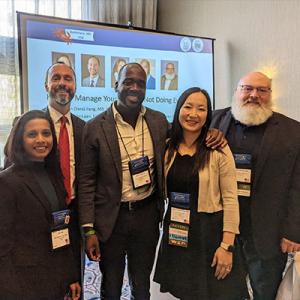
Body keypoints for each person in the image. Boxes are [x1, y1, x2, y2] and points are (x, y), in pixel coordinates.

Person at [78, 62, 169, 299]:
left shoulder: (158, 122)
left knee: (141, 285)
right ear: (115, 85)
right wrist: (88, 230)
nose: (135, 88)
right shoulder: (95, 127)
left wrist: (214, 132)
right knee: (112, 285)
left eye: (140, 83)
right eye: (128, 81)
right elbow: (86, 182)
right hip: (112, 219)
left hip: (147, 215)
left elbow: (189, 134)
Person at [210, 71, 300, 300]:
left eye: (262, 90)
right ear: (236, 91)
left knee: (265, 291)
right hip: (221, 231)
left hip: (267, 234)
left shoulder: (293, 131)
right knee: (224, 291)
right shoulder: (213, 122)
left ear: (270, 94)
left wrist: (293, 231)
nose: (254, 95)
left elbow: (297, 186)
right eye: (247, 88)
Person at [154, 87, 247, 299]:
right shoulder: (168, 147)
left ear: (208, 115)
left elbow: (232, 200)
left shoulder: (218, 149)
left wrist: (227, 246)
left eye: (201, 109)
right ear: (178, 109)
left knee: (211, 292)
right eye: (188, 107)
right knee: (184, 291)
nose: (193, 114)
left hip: (209, 232)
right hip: (177, 230)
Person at [0, 110, 80, 300]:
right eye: (32, 134)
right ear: (20, 140)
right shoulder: (6, 182)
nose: (41, 139)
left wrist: (70, 276)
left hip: (53, 278)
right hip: (21, 283)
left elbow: (61, 229)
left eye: (46, 133)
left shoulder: (53, 175)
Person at [44, 62, 86, 284]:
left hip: (74, 215)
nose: (62, 83)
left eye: (68, 79)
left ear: (75, 86)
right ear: (46, 85)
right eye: (56, 78)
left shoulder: (84, 128)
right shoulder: (32, 124)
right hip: (40, 217)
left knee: (74, 277)